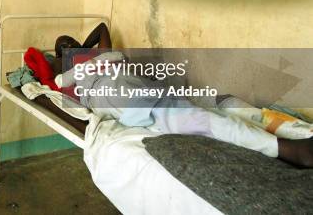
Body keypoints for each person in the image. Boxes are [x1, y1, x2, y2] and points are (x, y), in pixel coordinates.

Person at [52, 23, 313, 168]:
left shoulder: (95, 55)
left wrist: (83, 48)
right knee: (199, 118)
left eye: (73, 41)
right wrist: (69, 57)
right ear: (60, 56)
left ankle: (287, 132)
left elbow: (101, 28)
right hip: (117, 95)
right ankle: (285, 149)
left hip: (140, 85)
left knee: (216, 102)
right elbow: (54, 76)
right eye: (65, 46)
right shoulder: (68, 73)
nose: (72, 46)